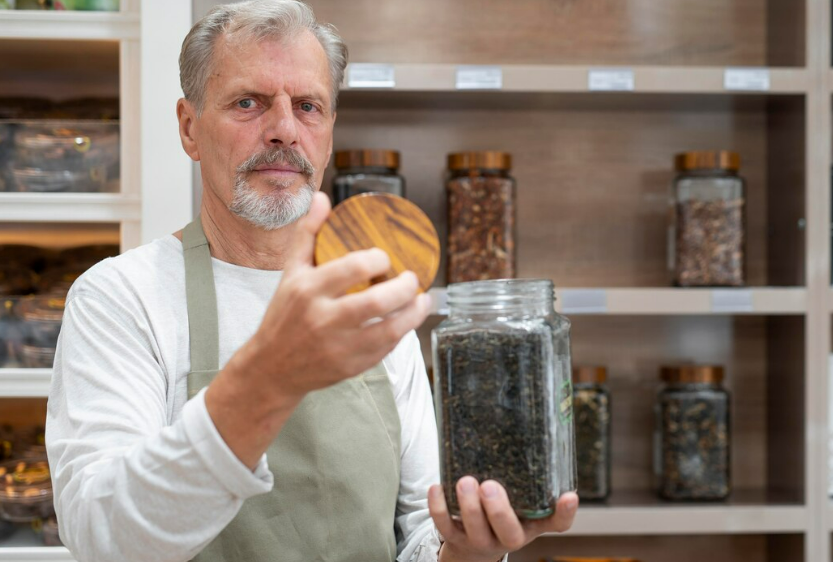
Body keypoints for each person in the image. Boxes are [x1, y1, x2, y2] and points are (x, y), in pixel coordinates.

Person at [45, 1, 578, 561]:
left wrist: (467, 549)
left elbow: (423, 526)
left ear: (328, 134)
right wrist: (268, 379)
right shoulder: (121, 297)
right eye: (248, 103)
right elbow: (102, 535)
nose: (284, 130)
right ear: (189, 128)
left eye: (307, 107)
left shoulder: (370, 297)